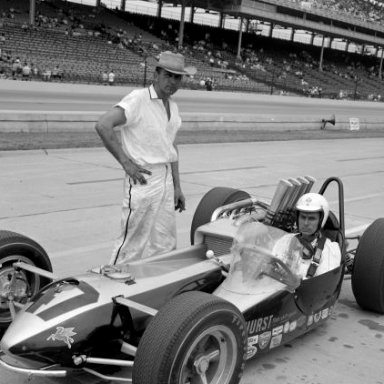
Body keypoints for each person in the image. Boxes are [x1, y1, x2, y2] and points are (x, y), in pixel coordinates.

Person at [95, 51, 196, 265]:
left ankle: (154, 286)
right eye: (168, 75)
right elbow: (103, 125)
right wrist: (126, 163)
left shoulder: (173, 106)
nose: (173, 81)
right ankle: (113, 283)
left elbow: (171, 146)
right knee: (131, 243)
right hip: (144, 178)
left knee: (165, 242)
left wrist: (177, 186)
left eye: (177, 77)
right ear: (156, 74)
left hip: (166, 178)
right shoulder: (138, 99)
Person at [273, 193, 341, 279]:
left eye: (311, 218)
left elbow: (324, 285)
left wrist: (296, 279)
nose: (305, 223)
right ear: (297, 218)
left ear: (320, 221)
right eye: (303, 217)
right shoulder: (285, 240)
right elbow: (272, 264)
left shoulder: (329, 250)